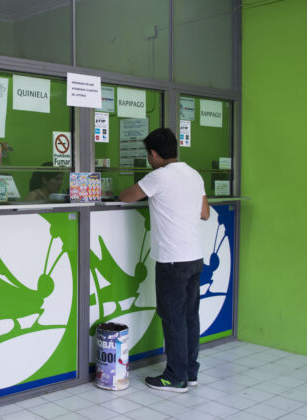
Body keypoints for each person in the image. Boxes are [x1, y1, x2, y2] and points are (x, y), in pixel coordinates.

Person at [119, 128, 210, 393]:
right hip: (194, 256)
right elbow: (204, 213)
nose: (149, 160)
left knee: (173, 318)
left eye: (149, 155)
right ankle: (190, 372)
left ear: (154, 153)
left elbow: (126, 196)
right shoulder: (193, 174)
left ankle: (175, 377)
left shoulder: (159, 176)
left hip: (172, 259)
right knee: (190, 316)